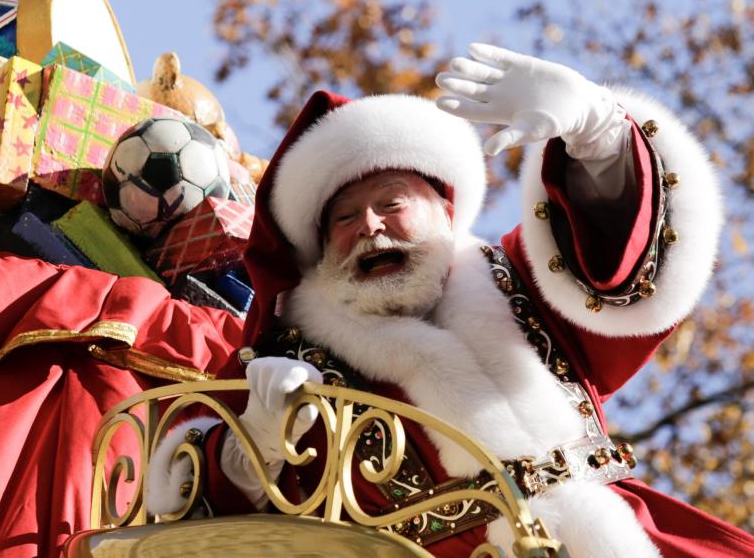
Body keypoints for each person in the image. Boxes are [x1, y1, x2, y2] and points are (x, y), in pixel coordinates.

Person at [146, 44, 754, 557]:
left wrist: (599, 139)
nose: (370, 227)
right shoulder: (288, 361)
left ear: (445, 210)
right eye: (344, 217)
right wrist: (254, 443)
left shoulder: (518, 280)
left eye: (391, 202)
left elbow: (618, 265)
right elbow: (190, 522)